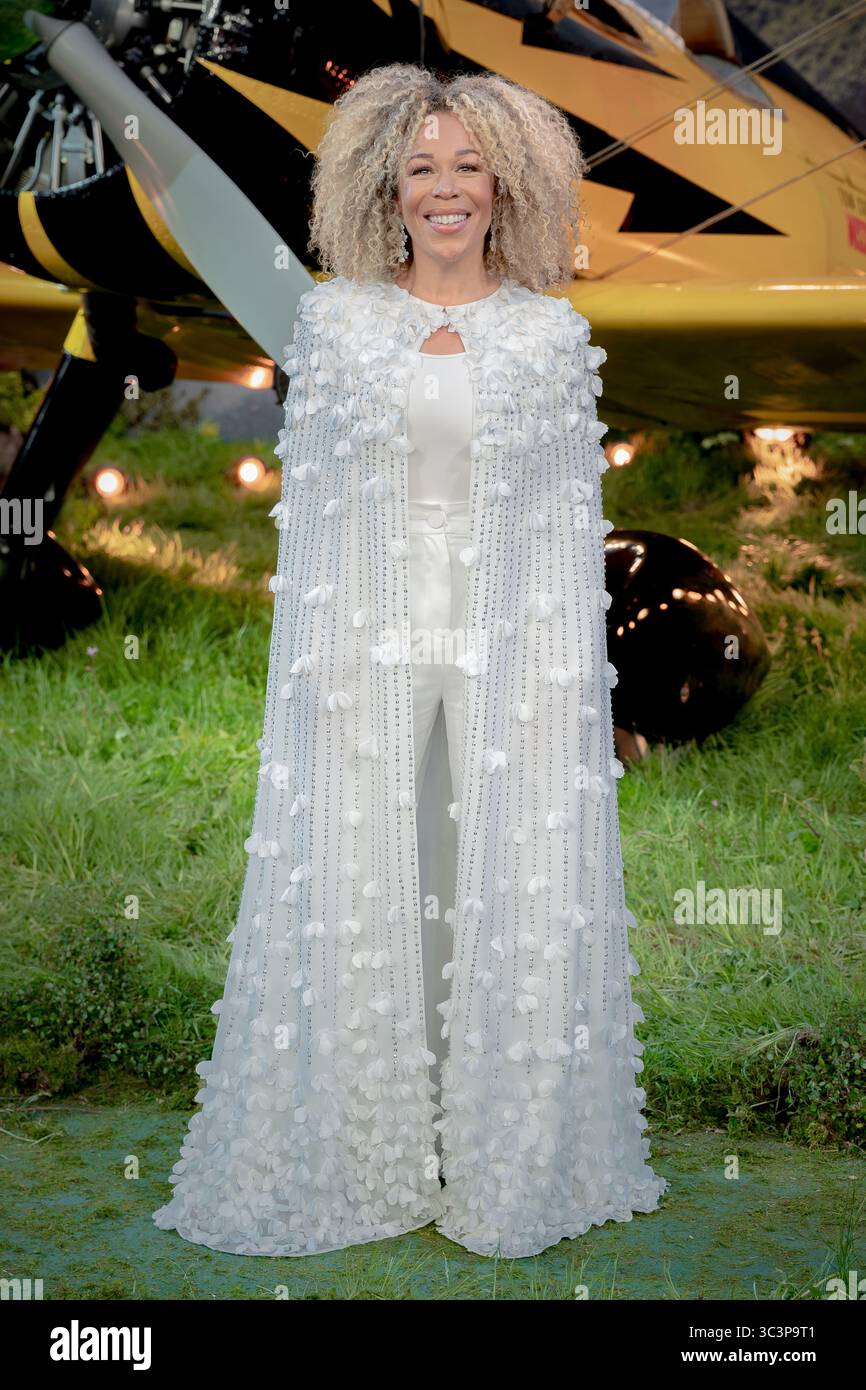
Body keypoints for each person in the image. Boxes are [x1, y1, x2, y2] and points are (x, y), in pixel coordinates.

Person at [153, 63, 669, 1260]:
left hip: (508, 661)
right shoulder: (337, 325)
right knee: (363, 877)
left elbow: (555, 539)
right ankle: (361, 1143)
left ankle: (505, 1154)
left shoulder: (547, 338)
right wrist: (333, 672)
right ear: (386, 188)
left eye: (467, 167)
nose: (445, 189)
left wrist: (554, 701)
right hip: (366, 650)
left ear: (505, 186)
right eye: (422, 167)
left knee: (505, 878)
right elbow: (321, 518)